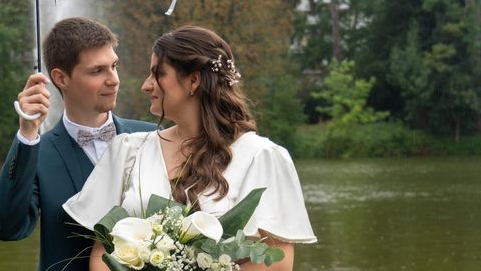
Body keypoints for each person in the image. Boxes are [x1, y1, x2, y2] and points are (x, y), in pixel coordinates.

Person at [63, 25, 316, 271]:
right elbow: (101, 252)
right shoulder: (127, 150)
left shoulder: (260, 157)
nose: (146, 85)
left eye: (158, 73)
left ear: (193, 80)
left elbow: (278, 261)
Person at [0, 17, 157, 271]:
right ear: (61, 78)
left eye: (114, 66)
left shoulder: (152, 137)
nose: (113, 79)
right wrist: (27, 134)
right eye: (97, 71)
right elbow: (7, 228)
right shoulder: (37, 152)